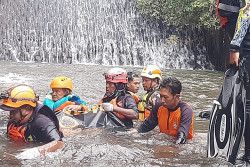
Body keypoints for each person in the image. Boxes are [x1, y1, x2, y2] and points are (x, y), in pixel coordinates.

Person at [217, 0, 250, 164]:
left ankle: (249, 156)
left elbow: (246, 12)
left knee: (248, 104)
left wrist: (235, 47)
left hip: (246, 46)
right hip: (245, 46)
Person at [0, 85, 63, 159]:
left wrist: (35, 152)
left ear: (27, 109)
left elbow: (59, 143)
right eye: (9, 111)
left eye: (14, 111)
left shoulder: (42, 122)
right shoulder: (12, 122)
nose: (10, 115)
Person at [129, 77, 194, 144]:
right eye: (161, 96)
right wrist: (135, 131)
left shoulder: (186, 111)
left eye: (165, 97)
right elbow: (148, 125)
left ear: (176, 97)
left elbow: (182, 138)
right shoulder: (159, 106)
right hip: (165, 141)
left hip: (183, 144)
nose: (162, 100)